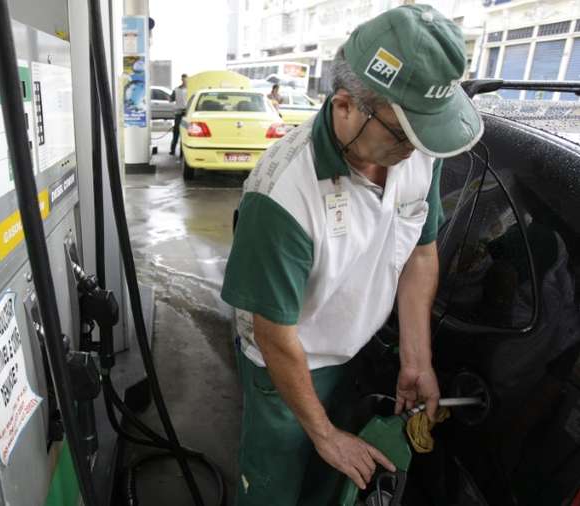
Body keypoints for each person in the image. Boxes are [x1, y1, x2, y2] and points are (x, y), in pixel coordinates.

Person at [220, 5, 484, 505]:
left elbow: (420, 255)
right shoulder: (282, 198)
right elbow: (275, 336)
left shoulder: (416, 152)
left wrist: (416, 359)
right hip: (283, 368)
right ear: (345, 106)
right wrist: (324, 434)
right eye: (403, 132)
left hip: (352, 353)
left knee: (334, 486)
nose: (416, 149)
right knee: (275, 491)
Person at [169, 73, 188, 156]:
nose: (185, 81)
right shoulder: (176, 90)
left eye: (186, 79)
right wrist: (170, 98)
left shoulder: (191, 89)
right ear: (182, 79)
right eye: (184, 79)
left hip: (187, 115)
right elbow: (171, 99)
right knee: (176, 132)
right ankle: (173, 150)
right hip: (179, 114)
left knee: (184, 133)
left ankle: (182, 152)